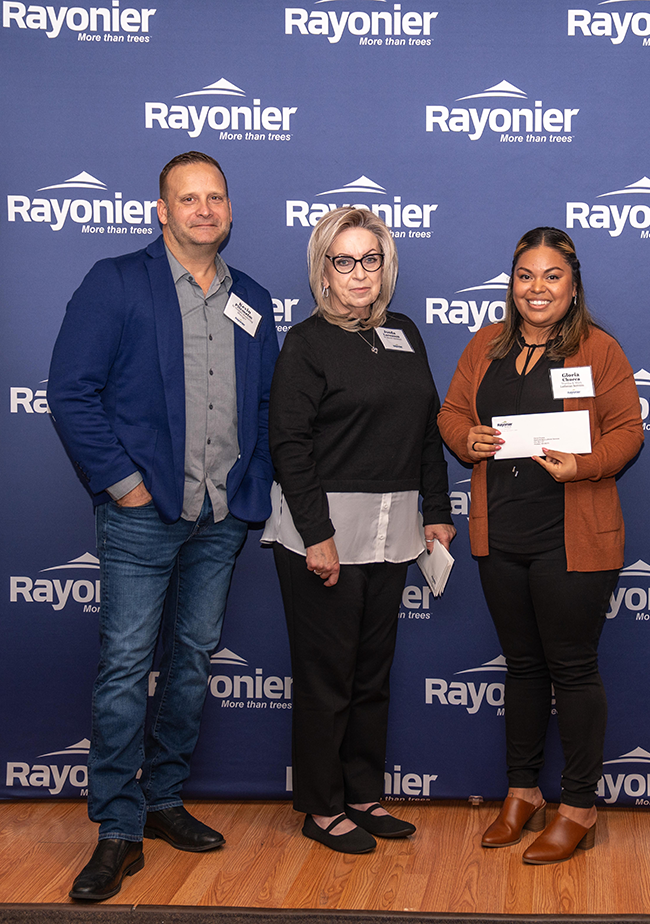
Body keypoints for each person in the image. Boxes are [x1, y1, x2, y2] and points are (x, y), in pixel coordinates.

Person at [48, 152, 279, 901]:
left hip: (220, 518)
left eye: (215, 197)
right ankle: (118, 827)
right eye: (189, 199)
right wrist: (125, 485)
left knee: (189, 661)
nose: (204, 210)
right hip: (143, 516)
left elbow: (269, 406)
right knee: (123, 670)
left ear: (230, 210)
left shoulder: (255, 298)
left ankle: (163, 799)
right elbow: (70, 391)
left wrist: (252, 486)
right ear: (162, 210)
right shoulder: (116, 282)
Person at [438, 227, 643, 865]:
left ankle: (578, 806)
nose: (537, 288)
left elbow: (628, 431)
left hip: (572, 539)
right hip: (500, 536)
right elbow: (449, 411)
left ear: (573, 284)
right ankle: (522, 793)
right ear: (512, 283)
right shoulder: (485, 345)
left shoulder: (597, 350)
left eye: (552, 276)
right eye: (526, 275)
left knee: (573, 669)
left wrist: (581, 465)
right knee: (522, 667)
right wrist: (465, 437)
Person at [263, 207, 455, 854]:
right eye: (344, 261)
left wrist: (437, 512)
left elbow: (426, 430)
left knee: (372, 673)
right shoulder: (306, 343)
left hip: (392, 529)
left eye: (370, 259)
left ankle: (362, 793)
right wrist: (318, 536)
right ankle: (321, 806)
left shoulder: (403, 332)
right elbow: (288, 445)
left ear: (386, 265)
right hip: (323, 532)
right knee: (328, 677)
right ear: (323, 271)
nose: (359, 274)